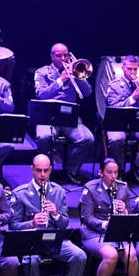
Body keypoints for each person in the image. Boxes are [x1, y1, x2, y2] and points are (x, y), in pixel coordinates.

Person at [8, 153, 86, 276]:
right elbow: (13, 226)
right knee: (32, 260)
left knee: (79, 255)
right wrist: (32, 223)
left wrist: (56, 213)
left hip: (54, 239)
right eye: (38, 171)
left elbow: (64, 225)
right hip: (31, 240)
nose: (42, 175)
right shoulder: (20, 193)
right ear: (32, 170)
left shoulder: (58, 192)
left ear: (50, 170)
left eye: (45, 171)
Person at [78, 157, 139, 276]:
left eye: (116, 172)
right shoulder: (91, 188)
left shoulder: (123, 188)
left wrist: (124, 211)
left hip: (117, 232)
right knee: (111, 255)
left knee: (132, 255)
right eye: (109, 172)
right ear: (101, 173)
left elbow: (131, 213)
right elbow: (86, 217)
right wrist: (105, 224)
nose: (113, 176)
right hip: (94, 232)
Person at [33, 43, 95, 184]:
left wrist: (79, 77)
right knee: (43, 137)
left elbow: (87, 93)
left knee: (88, 139)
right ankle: (47, 170)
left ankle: (70, 170)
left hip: (69, 117)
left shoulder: (75, 70)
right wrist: (61, 80)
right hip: (47, 117)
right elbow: (41, 95)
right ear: (52, 57)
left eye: (66, 55)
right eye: (58, 55)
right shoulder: (42, 72)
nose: (63, 58)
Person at [104, 54, 139, 185]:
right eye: (129, 69)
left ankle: (134, 169)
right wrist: (132, 99)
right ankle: (120, 171)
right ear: (123, 68)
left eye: (135, 69)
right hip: (118, 124)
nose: (133, 72)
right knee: (116, 139)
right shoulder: (114, 85)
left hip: (137, 125)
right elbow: (113, 106)